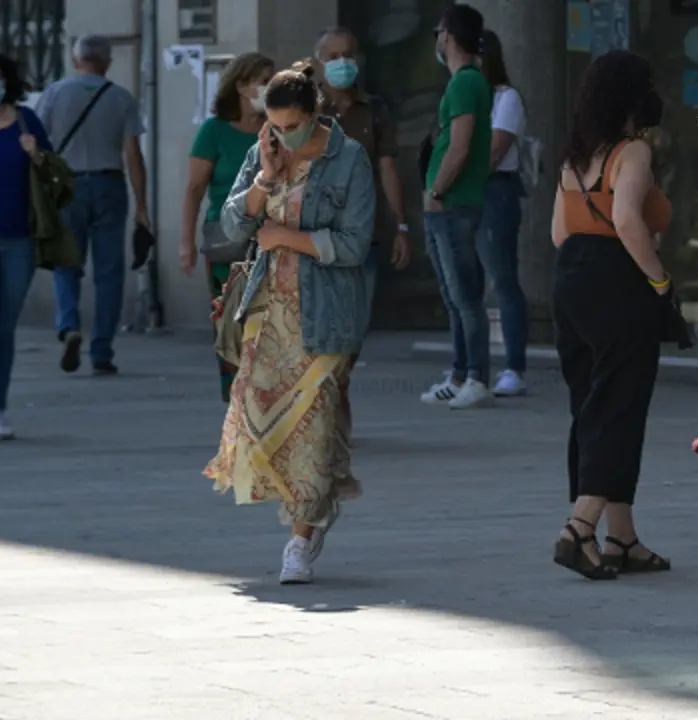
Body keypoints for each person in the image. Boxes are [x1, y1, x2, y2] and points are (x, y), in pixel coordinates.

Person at [203, 62, 376, 585]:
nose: (283, 135)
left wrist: (287, 238)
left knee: (316, 428)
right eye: (275, 125)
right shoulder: (265, 151)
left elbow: (354, 243)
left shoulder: (350, 161)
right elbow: (233, 222)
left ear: (314, 114)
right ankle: (312, 507)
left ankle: (301, 537)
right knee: (266, 426)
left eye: (293, 125)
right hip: (267, 312)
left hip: (326, 315)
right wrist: (265, 179)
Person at [550, 50, 672, 581]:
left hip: (571, 280)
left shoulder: (575, 159)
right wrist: (660, 279)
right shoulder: (634, 152)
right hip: (619, 281)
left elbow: (558, 234)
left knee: (592, 406)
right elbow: (626, 219)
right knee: (620, 406)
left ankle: (621, 536)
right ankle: (580, 528)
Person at [37, 35, 149, 377]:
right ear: (107, 62)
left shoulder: (54, 94)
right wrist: (142, 205)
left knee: (65, 262)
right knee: (109, 273)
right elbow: (132, 153)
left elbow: (37, 146)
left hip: (66, 186)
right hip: (109, 185)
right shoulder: (121, 98)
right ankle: (102, 352)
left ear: (75, 60)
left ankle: (69, 324)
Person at [179, 51, 275, 403]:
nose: (270, 88)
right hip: (228, 242)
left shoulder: (279, 128)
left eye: (273, 80)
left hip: (274, 238)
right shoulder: (214, 131)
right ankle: (236, 398)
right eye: (263, 81)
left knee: (273, 323)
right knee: (232, 321)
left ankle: (266, 400)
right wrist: (186, 242)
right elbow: (193, 189)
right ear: (241, 85)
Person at [0, 50, 53, 442]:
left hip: (19, 236)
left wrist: (34, 153)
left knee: (3, 325)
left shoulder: (24, 120)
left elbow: (53, 173)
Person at [419, 3, 496, 409]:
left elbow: (460, 145)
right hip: (444, 208)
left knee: (465, 296)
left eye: (438, 32)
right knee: (453, 297)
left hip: (455, 205)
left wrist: (437, 190)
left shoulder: (466, 83)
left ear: (447, 34)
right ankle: (459, 372)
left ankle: (476, 377)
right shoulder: (462, 84)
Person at [314, 26, 411, 301]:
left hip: (363, 231)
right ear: (319, 65)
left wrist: (401, 226)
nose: (341, 63)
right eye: (332, 56)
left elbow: (388, 170)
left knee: (356, 322)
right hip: (316, 235)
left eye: (347, 55)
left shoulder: (375, 109)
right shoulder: (305, 110)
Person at [477, 30, 530, 397]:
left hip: (495, 190)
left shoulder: (505, 98)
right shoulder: (461, 95)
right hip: (465, 193)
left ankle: (514, 365)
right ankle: (469, 368)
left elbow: (494, 151)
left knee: (502, 278)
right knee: (466, 286)